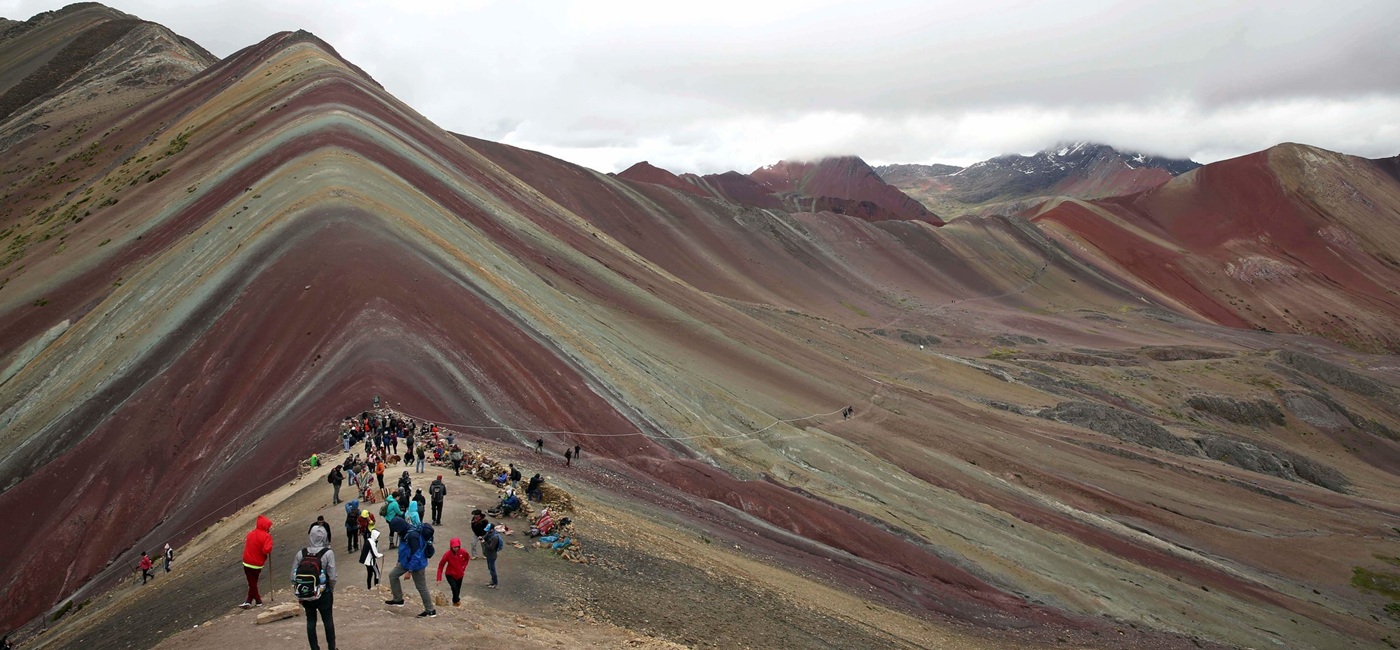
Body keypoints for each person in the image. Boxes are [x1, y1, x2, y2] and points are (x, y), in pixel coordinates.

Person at [291, 525, 337, 650]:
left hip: (306, 593)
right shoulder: (328, 553)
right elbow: (332, 576)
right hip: (324, 593)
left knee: (311, 621)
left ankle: (314, 648)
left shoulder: (301, 553)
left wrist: (300, 593)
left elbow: (293, 576)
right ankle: (332, 647)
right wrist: (330, 589)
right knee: (328, 620)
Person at [384, 515, 436, 618]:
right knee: (393, 575)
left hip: (417, 565)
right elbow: (403, 548)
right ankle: (398, 599)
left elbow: (417, 554)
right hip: (406, 562)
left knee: (421, 587)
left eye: (396, 530)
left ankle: (430, 610)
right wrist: (399, 561)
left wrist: (410, 571)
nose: (396, 532)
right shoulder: (405, 532)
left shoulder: (412, 536)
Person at [241, 515, 274, 608]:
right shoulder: (266, 536)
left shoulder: (250, 534)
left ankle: (255, 601)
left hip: (247, 562)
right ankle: (252, 601)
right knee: (253, 583)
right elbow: (266, 550)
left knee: (252, 583)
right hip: (257, 563)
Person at [435, 537, 470, 607]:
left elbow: (467, 558)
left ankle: (455, 601)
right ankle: (456, 601)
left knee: (458, 589)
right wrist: (439, 578)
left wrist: (463, 567)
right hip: (450, 574)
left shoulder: (463, 552)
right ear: (451, 547)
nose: (456, 548)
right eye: (454, 547)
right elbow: (441, 565)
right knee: (454, 588)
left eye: (457, 547)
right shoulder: (447, 554)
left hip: (460, 574)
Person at [361, 518, 383, 590]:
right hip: (370, 561)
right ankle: (376, 586)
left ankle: (369, 587)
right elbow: (375, 554)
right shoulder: (372, 543)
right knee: (377, 573)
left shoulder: (368, 540)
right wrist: (382, 555)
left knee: (370, 574)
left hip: (366, 561)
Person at [481, 523, 504, 588]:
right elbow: (485, 538)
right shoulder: (489, 533)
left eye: (488, 530)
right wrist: (482, 538)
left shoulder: (495, 538)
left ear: (491, 529)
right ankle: (493, 581)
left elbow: (491, 548)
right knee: (490, 568)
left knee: (492, 570)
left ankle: (495, 583)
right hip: (488, 555)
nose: (487, 531)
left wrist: (484, 543)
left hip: (492, 556)